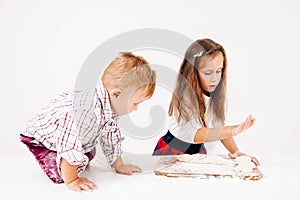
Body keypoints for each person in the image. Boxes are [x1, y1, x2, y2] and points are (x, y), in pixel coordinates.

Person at [20, 52, 156, 191]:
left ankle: (77, 158)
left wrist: (118, 165)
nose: (136, 108)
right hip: (42, 139)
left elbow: (110, 136)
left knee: (88, 152)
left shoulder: (109, 107)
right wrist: (73, 180)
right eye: (136, 103)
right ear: (117, 94)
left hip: (74, 134)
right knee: (62, 173)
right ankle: (62, 165)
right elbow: (69, 144)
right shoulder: (83, 111)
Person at [152, 39, 259, 166]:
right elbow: (196, 135)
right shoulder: (184, 96)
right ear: (192, 72)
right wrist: (233, 130)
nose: (214, 78)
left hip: (197, 152)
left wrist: (235, 151)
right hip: (172, 151)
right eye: (208, 73)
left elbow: (217, 127)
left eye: (219, 71)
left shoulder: (215, 95)